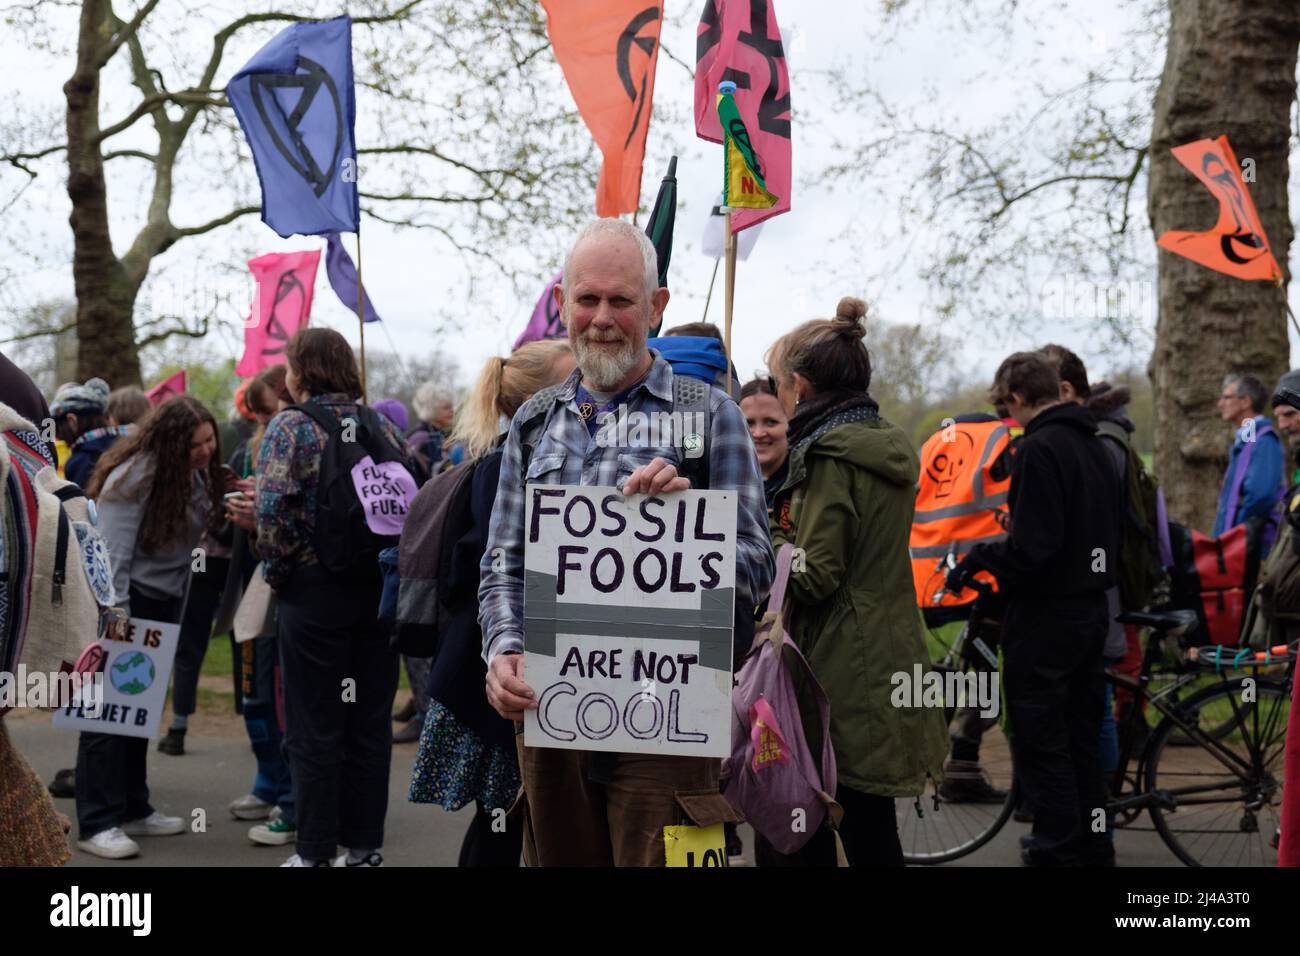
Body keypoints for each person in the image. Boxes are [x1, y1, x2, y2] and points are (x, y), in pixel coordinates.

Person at [480, 217, 774, 866]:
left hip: (672, 713)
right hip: (554, 708)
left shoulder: (710, 414)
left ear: (657, 306)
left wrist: (689, 526)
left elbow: (757, 564)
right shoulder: (533, 422)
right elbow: (504, 563)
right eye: (587, 300)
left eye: (622, 300)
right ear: (563, 303)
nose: (603, 318)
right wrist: (502, 651)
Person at [762, 297, 948, 867]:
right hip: (888, 649)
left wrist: (762, 533)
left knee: (827, 821)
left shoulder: (827, 457)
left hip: (839, 666)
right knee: (870, 825)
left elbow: (814, 575)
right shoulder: (882, 447)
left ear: (799, 385)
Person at [948, 352, 1120, 866]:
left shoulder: (1040, 449)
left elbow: (1035, 548)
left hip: (1047, 619)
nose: (1008, 420)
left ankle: (1058, 846)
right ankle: (1093, 843)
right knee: (1083, 737)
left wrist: (981, 557)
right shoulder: (1094, 444)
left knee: (1044, 739)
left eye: (1006, 409)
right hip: (1092, 610)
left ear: (1019, 399)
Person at [410, 339, 575, 866]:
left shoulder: (554, 458)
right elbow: (490, 573)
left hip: (515, 669)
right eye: (572, 381)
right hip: (504, 673)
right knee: (504, 818)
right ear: (537, 400)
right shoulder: (504, 467)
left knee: (521, 818)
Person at [255, 328, 410, 867]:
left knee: (313, 725)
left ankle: (314, 851)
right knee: (369, 724)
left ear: (300, 371)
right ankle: (364, 847)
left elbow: (270, 513)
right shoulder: (382, 424)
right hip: (380, 594)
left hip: (315, 595)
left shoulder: (291, 427)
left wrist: (282, 576)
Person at [75, 396, 225, 859]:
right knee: (107, 713)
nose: (205, 449)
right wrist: (115, 622)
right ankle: (97, 821)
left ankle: (134, 806)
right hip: (124, 604)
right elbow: (112, 555)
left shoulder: (188, 474)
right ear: (172, 440)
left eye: (209, 440)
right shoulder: (134, 476)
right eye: (196, 443)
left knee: (137, 711)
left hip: (160, 602)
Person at [223, 365, 297, 846]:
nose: (264, 423)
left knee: (280, 694)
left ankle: (290, 795)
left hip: (284, 589)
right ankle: (269, 782)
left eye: (270, 411)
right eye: (258, 415)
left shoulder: (299, 442)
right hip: (252, 586)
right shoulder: (254, 447)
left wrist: (262, 521)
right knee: (254, 690)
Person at [1214, 373, 1285, 542]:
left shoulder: (1265, 441)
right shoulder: (1249, 439)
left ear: (1245, 402)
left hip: (1251, 547)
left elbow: (1259, 495)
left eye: (1227, 397)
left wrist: (1236, 533)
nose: (1220, 404)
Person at [51, 377, 121, 489]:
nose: (58, 435)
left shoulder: (80, 462)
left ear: (72, 421)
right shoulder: (125, 444)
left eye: (58, 427)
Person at [739, 377, 789, 510]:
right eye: (749, 423)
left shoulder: (806, 485)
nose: (758, 433)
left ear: (790, 423)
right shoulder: (722, 484)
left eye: (771, 422)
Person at [407, 383, 456, 482]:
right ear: (431, 410)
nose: (452, 411)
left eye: (452, 407)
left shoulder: (440, 434)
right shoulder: (421, 437)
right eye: (446, 408)